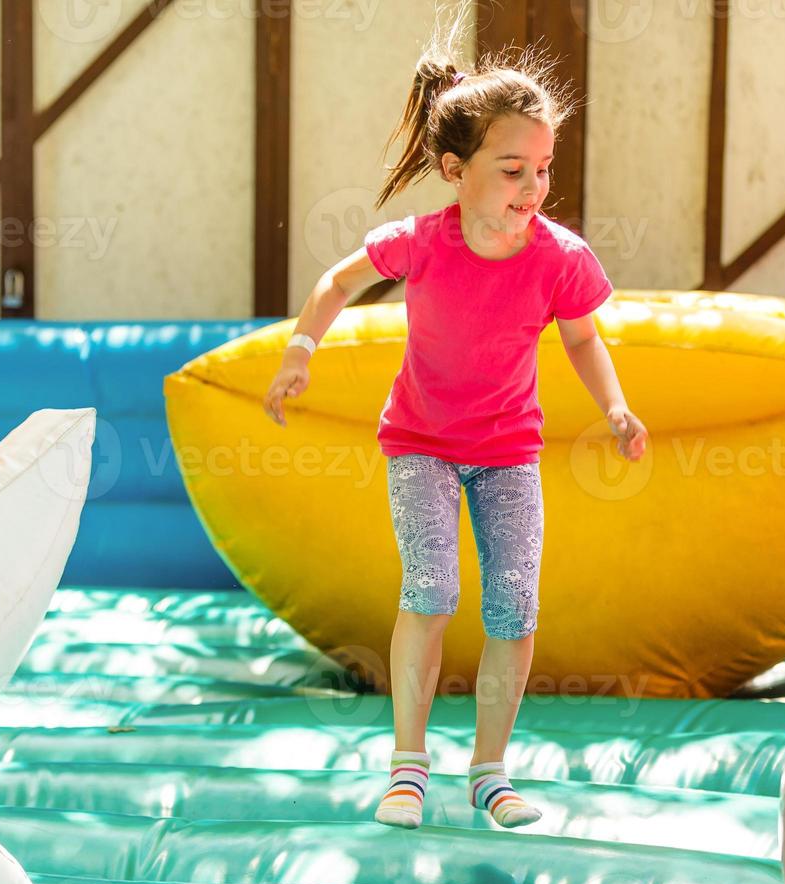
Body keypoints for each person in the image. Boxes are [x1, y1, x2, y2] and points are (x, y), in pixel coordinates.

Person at [262, 36, 648, 831]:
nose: (533, 187)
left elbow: (580, 337)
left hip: (508, 452)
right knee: (431, 589)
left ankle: (490, 771)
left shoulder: (557, 258)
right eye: (513, 170)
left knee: (514, 605)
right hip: (422, 445)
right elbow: (340, 279)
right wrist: (300, 351)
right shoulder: (425, 243)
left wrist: (614, 406)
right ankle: (408, 766)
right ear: (454, 170)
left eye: (543, 169)